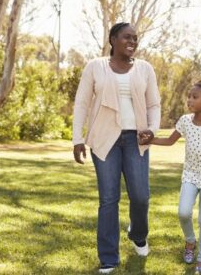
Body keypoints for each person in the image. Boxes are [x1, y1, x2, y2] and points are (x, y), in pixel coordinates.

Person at [72, 22, 161, 274]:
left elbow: (154, 104)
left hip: (137, 139)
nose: (132, 41)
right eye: (126, 37)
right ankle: (109, 258)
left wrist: (152, 130)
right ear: (112, 39)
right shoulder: (95, 66)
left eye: (135, 38)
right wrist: (77, 138)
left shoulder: (145, 69)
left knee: (141, 196)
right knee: (108, 199)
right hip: (104, 138)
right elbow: (81, 103)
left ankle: (138, 234)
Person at [141, 80, 201, 274]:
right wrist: (150, 139)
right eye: (189, 96)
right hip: (191, 174)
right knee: (183, 212)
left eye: (195, 97)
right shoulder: (185, 121)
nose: (189, 100)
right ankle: (190, 240)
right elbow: (170, 141)